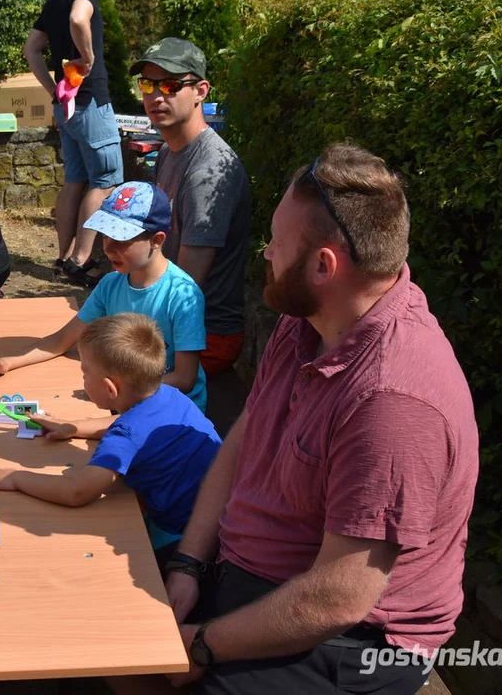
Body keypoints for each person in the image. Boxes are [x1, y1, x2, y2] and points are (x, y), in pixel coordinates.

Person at [144, 143, 479, 694]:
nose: (265, 252)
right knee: (101, 620)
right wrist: (188, 564)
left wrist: (203, 643)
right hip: (253, 578)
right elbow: (244, 442)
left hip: (352, 639)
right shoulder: (310, 320)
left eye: (276, 242)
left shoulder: (392, 401)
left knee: (151, 671)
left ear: (324, 265)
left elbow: (340, 596)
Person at [0, 313, 221, 564]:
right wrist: (76, 427)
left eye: (85, 372)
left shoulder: (124, 438)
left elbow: (77, 492)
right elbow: (136, 422)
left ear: (110, 389)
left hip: (188, 535)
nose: (82, 378)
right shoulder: (169, 394)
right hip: (221, 507)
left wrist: (15, 477)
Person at [0, 182, 209, 416]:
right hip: (123, 398)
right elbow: (61, 340)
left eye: (122, 240)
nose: (108, 248)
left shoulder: (183, 295)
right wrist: (6, 362)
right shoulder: (110, 284)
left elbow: (184, 379)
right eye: (105, 236)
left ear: (157, 240)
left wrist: (121, 394)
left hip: (173, 411)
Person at [131, 38, 251, 377]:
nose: (155, 96)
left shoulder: (208, 171)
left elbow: (188, 284)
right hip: (175, 322)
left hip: (203, 336)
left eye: (169, 85)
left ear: (200, 91)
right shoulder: (169, 153)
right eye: (147, 84)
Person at [26, 0, 124, 288]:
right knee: (106, 180)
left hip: (66, 105)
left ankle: (64, 258)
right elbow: (78, 17)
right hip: (91, 101)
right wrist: (89, 56)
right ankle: (81, 261)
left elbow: (32, 49)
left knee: (74, 181)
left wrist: (53, 89)